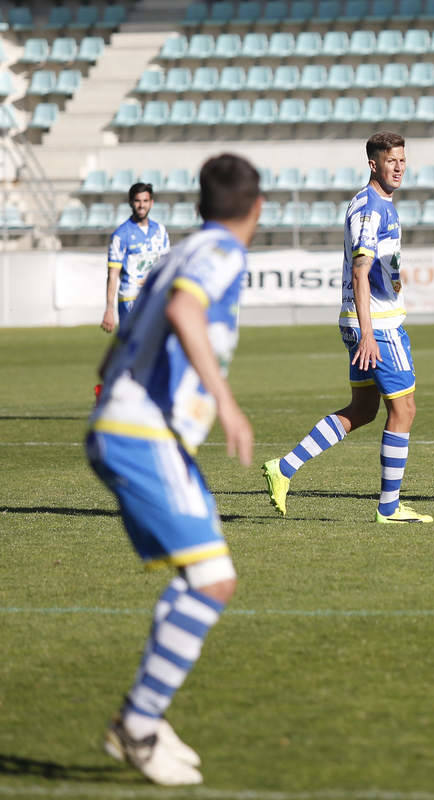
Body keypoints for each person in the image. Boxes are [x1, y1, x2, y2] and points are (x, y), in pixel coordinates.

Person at [86, 154, 262, 786]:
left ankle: (144, 718)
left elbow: (135, 326)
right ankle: (137, 726)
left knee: (208, 575)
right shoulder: (220, 253)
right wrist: (229, 404)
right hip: (142, 435)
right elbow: (186, 313)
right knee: (213, 581)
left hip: (137, 430)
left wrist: (110, 385)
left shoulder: (173, 252)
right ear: (257, 209)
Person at [261, 131, 432, 523]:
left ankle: (283, 469)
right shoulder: (370, 209)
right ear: (373, 164)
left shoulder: (378, 203)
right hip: (377, 326)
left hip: (369, 321)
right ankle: (389, 508)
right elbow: (359, 271)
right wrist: (369, 334)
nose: (399, 167)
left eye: (403, 160)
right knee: (404, 410)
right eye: (392, 161)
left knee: (364, 409)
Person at [100, 181, 170, 334]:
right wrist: (109, 309)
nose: (141, 205)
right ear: (130, 202)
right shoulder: (120, 235)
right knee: (133, 347)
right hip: (130, 299)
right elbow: (112, 275)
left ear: (151, 203)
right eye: (137, 201)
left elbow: (166, 268)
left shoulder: (161, 231)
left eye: (145, 201)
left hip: (155, 297)